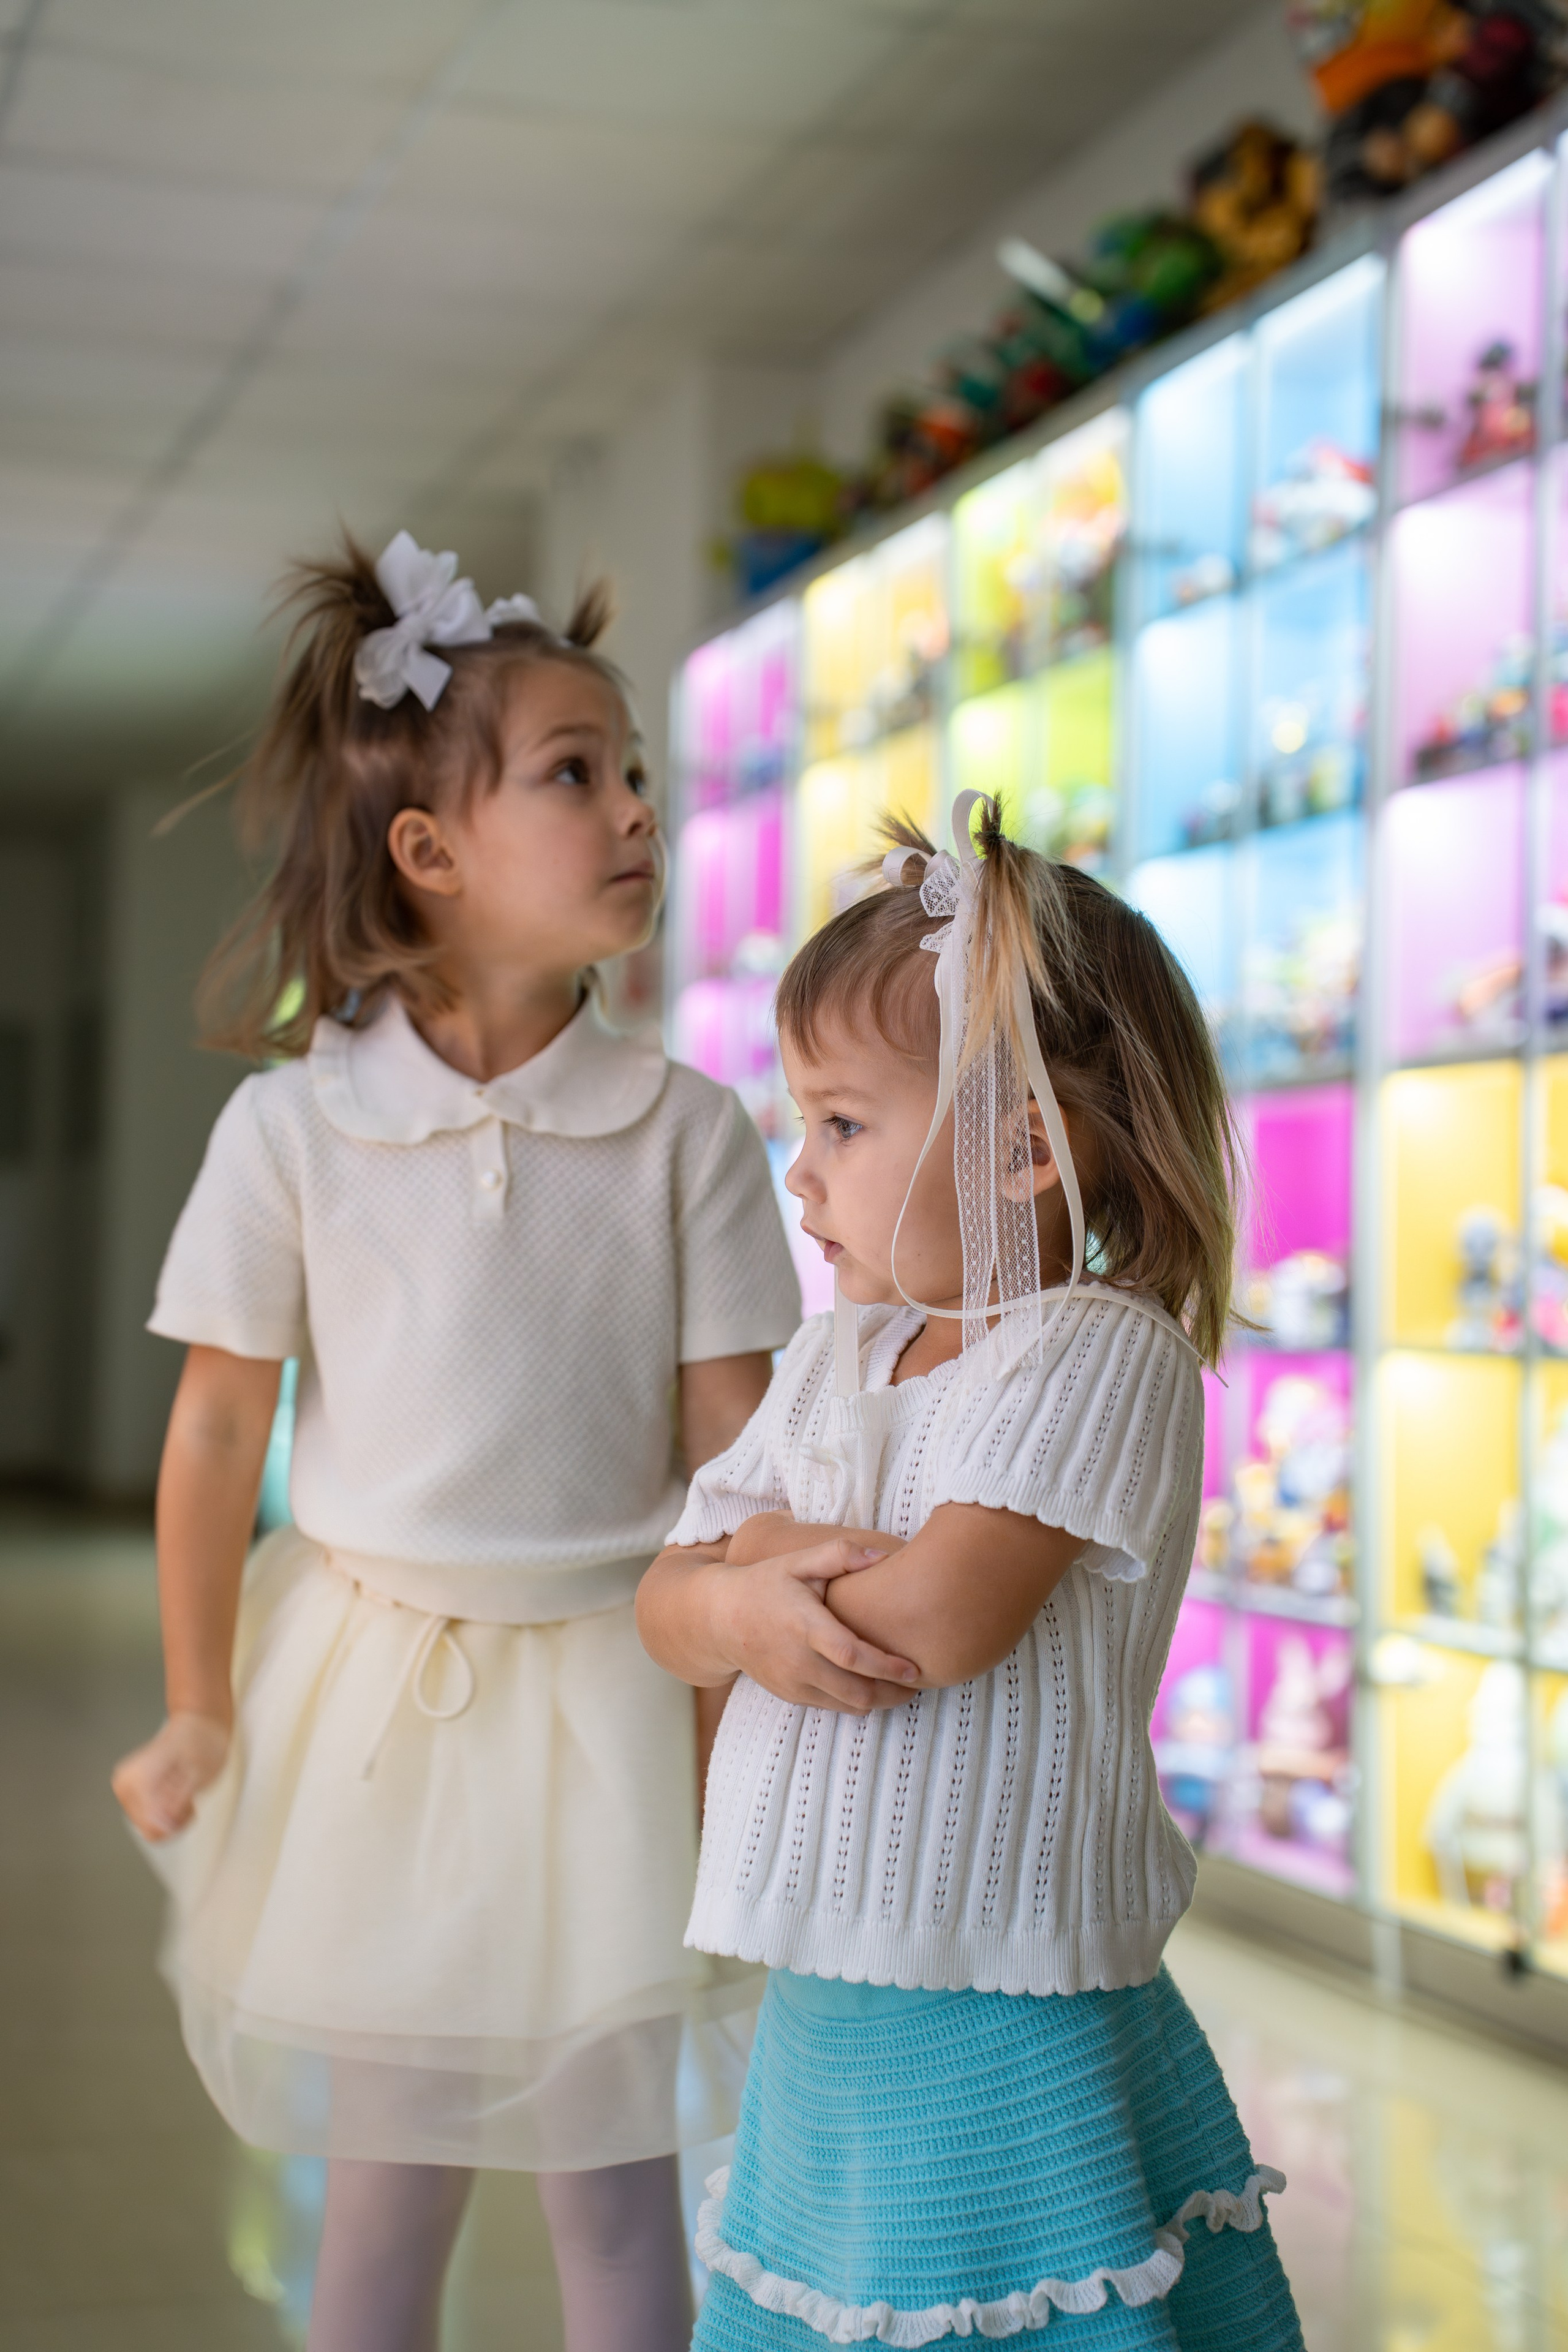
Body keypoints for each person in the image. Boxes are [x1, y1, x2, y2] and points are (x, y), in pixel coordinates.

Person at [110, 531, 800, 2352]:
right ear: (430, 852)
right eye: (578, 773)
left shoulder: (687, 1132)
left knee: (619, 2205)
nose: (638, 807)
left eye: (638, 769)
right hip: (372, 1703)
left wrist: (745, 1751)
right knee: (384, 2205)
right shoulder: (294, 1132)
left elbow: (739, 1471)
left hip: (615, 1694)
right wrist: (198, 1700)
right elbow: (214, 1429)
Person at [637, 793, 1305, 2350]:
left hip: (1002, 2015)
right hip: (826, 1994)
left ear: (1016, 1152)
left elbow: (936, 1619)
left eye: (844, 1125)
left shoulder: (1098, 1351)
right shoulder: (830, 1364)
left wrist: (747, 1584)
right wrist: (733, 1594)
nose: (799, 1174)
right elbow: (665, 1609)